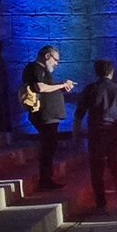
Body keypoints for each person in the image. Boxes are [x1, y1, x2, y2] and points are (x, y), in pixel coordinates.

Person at [74, 60, 117, 213]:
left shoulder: (90, 89)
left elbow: (79, 112)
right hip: (115, 133)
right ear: (111, 72)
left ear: (96, 72)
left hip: (96, 133)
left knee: (97, 167)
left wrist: (76, 131)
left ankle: (101, 203)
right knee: (116, 164)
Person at [22, 46, 75, 191]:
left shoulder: (42, 70)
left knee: (50, 146)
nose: (57, 64)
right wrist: (61, 85)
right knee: (48, 146)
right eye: (55, 60)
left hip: (50, 116)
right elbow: (40, 88)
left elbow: (47, 88)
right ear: (47, 56)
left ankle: (47, 179)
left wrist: (61, 87)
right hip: (44, 116)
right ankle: (45, 180)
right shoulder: (35, 68)